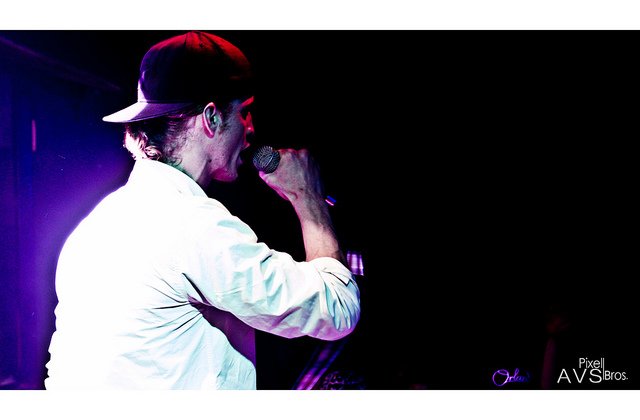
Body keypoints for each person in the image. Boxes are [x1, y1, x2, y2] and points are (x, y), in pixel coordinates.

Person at [44, 31, 360, 390]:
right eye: (244, 112)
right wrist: (308, 196)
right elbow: (337, 308)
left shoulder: (95, 226)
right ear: (211, 117)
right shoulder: (191, 225)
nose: (251, 128)